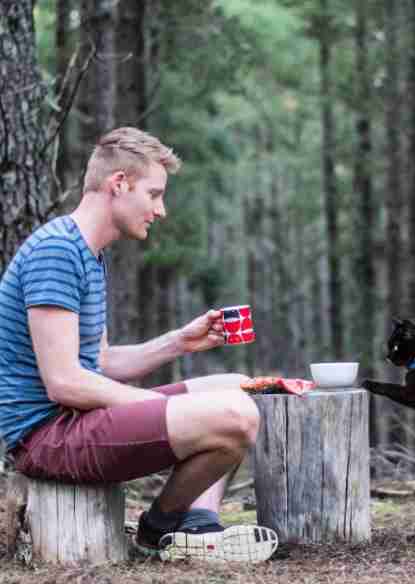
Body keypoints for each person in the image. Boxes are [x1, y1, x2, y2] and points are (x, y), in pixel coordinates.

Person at [0, 127, 278, 562]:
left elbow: (101, 362)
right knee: (234, 416)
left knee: (237, 387)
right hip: (49, 437)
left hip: (79, 420)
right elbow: (64, 384)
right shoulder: (56, 251)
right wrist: (153, 407)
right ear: (118, 184)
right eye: (154, 194)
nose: (161, 209)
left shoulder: (89, 253)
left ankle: (199, 528)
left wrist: (178, 342)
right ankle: (159, 530)